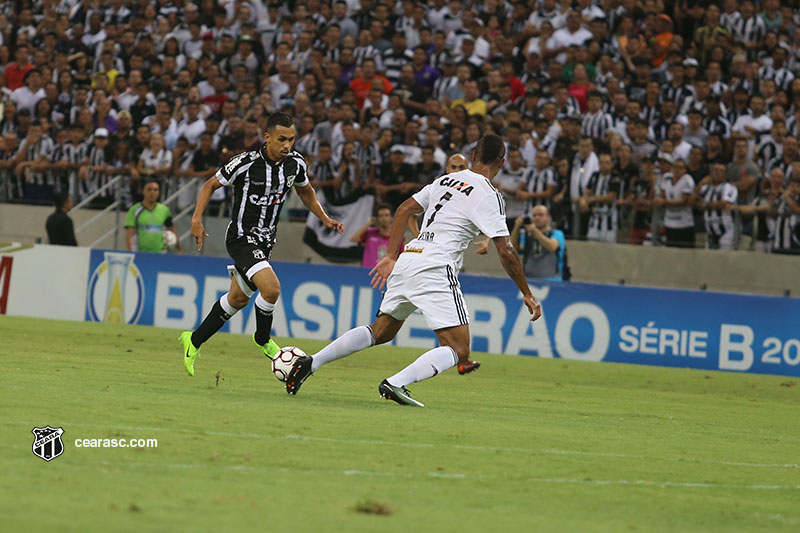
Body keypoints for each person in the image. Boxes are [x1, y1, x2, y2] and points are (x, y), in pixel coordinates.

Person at [285, 134, 542, 406]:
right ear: (502, 162)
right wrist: (526, 292)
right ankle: (395, 383)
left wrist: (391, 256)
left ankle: (311, 362)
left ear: (474, 155)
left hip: (410, 257)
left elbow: (403, 210)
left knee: (381, 331)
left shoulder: (443, 180)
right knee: (459, 348)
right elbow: (507, 250)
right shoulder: (489, 194)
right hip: (434, 266)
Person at [180, 112, 344, 377]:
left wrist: (324, 217)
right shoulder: (245, 163)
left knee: (237, 299)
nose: (287, 145)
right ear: (266, 137)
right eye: (281, 139)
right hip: (242, 238)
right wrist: (196, 219)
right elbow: (210, 184)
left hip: (267, 241)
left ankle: (193, 341)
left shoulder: (295, 164)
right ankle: (262, 338)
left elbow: (306, 191)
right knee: (271, 289)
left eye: (291, 139)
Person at [124, 179, 181, 254]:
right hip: (139, 253)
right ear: (143, 191)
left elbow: (172, 229)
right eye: (149, 189)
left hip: (160, 253)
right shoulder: (134, 210)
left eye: (155, 190)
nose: (152, 192)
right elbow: (129, 234)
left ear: (158, 192)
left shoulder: (164, 210)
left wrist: (180, 249)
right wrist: (130, 252)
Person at [511, 205, 565, 281]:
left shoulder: (557, 233)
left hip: (552, 279)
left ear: (549, 218)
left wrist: (535, 231)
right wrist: (516, 227)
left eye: (541, 215)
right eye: (534, 215)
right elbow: (512, 248)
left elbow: (552, 247)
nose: (537, 218)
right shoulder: (527, 234)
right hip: (529, 279)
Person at [693, 163, 738, 250]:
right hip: (709, 232)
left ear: (725, 174)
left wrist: (705, 204)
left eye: (721, 171)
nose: (718, 173)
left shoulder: (729, 187)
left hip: (726, 232)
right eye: (715, 170)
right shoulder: (706, 188)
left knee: (723, 260)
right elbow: (692, 201)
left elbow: (723, 204)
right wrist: (700, 184)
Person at [350, 203, 401, 268]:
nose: (384, 218)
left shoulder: (398, 236)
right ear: (376, 218)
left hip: (387, 273)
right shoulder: (370, 232)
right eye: (381, 216)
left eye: (386, 215)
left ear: (391, 218)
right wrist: (367, 224)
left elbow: (401, 256)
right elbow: (353, 239)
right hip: (367, 271)